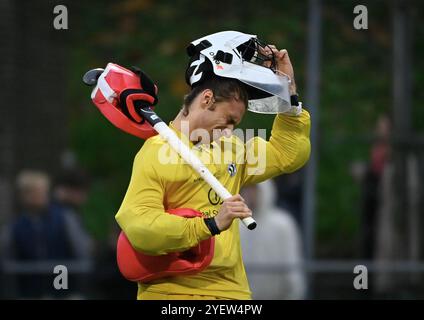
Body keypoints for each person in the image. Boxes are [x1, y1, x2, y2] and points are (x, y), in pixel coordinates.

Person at [115, 31, 311, 300]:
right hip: (171, 294)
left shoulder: (231, 149)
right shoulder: (155, 153)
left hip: (233, 293)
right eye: (228, 120)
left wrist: (288, 90)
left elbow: (289, 153)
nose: (230, 131)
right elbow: (140, 227)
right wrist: (210, 224)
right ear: (206, 99)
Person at [239, 180, 306, 300]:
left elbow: (291, 261)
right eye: (247, 189)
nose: (249, 194)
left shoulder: (282, 223)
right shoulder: (236, 225)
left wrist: (295, 292)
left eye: (254, 189)